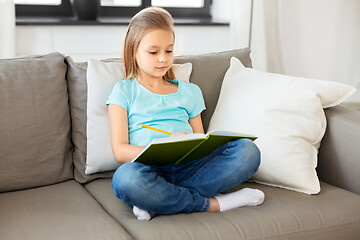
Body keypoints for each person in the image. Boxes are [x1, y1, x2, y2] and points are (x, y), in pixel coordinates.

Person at [106, 7, 264, 221]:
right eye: (153, 52)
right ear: (134, 51)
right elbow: (120, 150)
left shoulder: (190, 91)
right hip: (149, 169)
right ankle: (214, 204)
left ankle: (158, 201)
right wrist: (161, 148)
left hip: (191, 167)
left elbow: (200, 137)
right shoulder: (123, 91)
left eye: (169, 51)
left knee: (248, 151)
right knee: (125, 179)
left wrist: (188, 142)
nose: (163, 59)